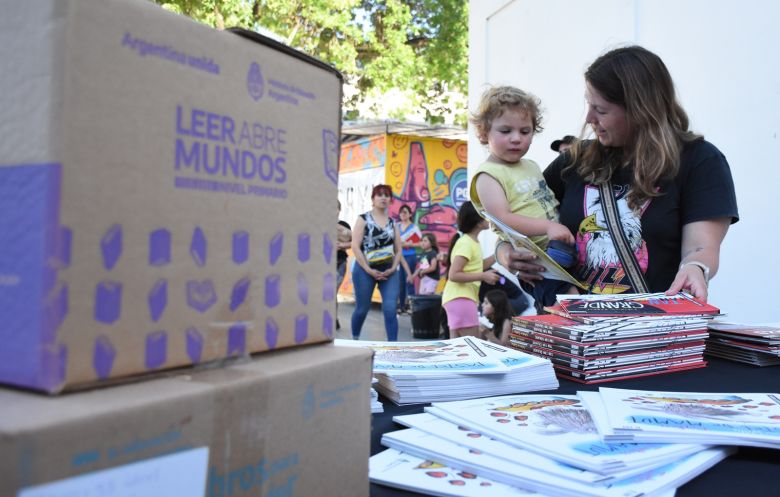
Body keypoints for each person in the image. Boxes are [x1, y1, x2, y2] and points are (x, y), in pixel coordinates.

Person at [497, 45, 739, 302]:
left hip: (646, 334)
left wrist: (696, 267)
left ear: (640, 110)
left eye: (601, 110)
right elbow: (510, 224)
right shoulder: (573, 163)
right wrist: (505, 253)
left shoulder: (700, 161)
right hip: (567, 331)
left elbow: (700, 249)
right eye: (589, 105)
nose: (589, 117)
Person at [469, 85, 579, 310]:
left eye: (525, 131)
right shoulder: (488, 175)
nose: (516, 139)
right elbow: (502, 218)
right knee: (571, 302)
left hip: (557, 250)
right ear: (483, 132)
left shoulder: (530, 165)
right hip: (535, 260)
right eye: (506, 131)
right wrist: (548, 227)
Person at [350, 184, 410, 341]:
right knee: (362, 309)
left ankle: (393, 348)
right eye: (379, 195)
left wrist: (393, 268)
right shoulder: (363, 219)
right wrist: (368, 270)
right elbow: (355, 246)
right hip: (365, 270)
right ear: (373, 199)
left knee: (390, 308)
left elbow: (398, 251)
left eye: (387, 195)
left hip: (388, 271)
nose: (383, 197)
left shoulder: (393, 224)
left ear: (390, 200)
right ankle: (354, 339)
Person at [441, 201, 501, 339]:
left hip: (457, 299)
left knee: (458, 349)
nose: (488, 218)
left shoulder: (471, 242)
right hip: (461, 298)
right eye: (484, 214)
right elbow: (454, 274)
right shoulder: (467, 243)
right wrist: (483, 276)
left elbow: (479, 265)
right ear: (478, 222)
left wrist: (500, 248)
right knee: (472, 346)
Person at [397, 204, 422, 314]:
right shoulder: (396, 226)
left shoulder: (414, 228)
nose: (403, 214)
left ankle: (412, 306)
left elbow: (421, 243)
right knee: (400, 282)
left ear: (410, 214)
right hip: (399, 257)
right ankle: (401, 306)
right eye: (401, 212)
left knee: (409, 280)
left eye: (405, 212)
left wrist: (409, 244)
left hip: (410, 257)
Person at [336, 199, 352, 330]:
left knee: (331, 292)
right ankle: (331, 318)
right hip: (322, 264)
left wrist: (341, 245)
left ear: (339, 210)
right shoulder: (320, 224)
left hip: (339, 262)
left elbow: (355, 242)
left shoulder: (344, 225)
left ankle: (332, 319)